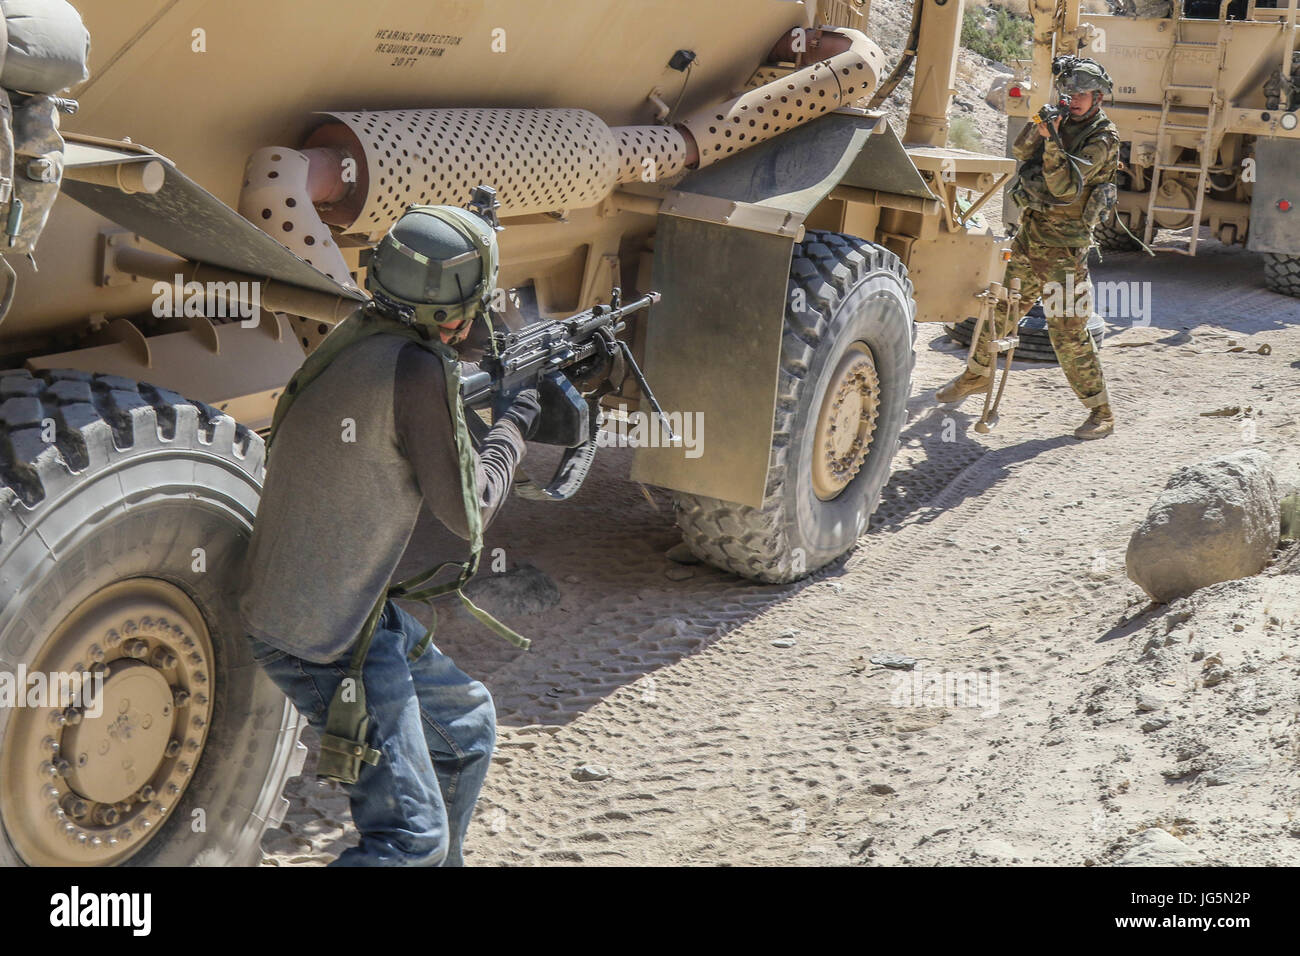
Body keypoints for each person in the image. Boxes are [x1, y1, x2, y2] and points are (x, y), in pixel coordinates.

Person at [239, 202, 541, 865]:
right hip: (323, 639)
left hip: (344, 609)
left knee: (466, 727)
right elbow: (469, 517)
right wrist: (517, 417)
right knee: (411, 842)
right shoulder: (419, 370)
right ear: (455, 313)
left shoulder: (361, 335)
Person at [937, 57, 1121, 441]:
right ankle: (975, 376)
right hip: (1030, 236)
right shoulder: (1059, 119)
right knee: (999, 311)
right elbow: (1021, 153)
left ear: (1099, 98)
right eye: (1069, 92)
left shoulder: (1103, 139)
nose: (1074, 100)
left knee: (1067, 332)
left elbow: (1063, 188)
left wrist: (1052, 141)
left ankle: (1100, 411)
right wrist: (1040, 130)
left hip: (1065, 251)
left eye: (1082, 94)